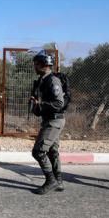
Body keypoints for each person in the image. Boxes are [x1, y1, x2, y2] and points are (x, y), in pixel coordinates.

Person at [30, 49, 65, 195]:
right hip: (50, 119)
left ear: (44, 64)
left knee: (38, 151)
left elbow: (59, 103)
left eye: (36, 64)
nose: (34, 66)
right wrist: (36, 106)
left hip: (54, 121)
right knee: (52, 151)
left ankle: (51, 180)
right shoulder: (42, 80)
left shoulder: (52, 80)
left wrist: (40, 104)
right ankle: (58, 181)